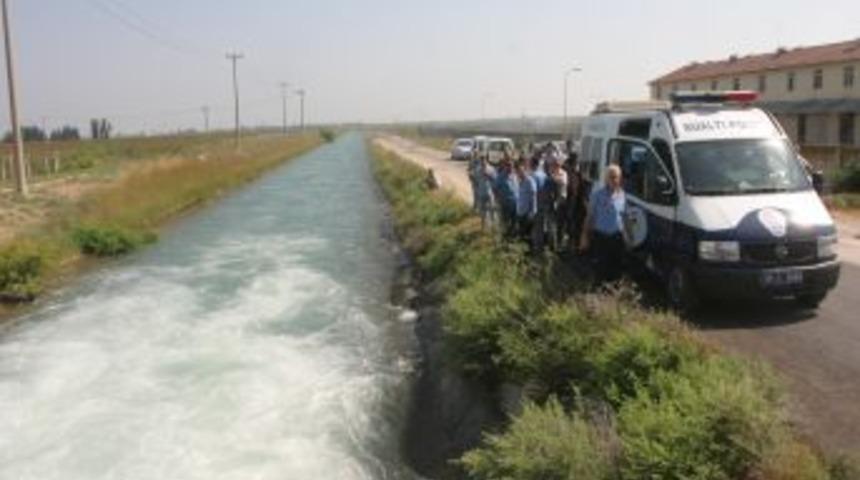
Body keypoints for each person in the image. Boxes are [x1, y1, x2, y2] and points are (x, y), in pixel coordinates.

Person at [580, 164, 627, 283]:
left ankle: (612, 294)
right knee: (600, 268)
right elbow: (589, 216)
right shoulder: (597, 195)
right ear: (606, 178)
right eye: (611, 177)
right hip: (601, 237)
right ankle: (598, 293)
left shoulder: (622, 195)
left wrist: (629, 236)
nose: (614, 180)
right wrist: (584, 236)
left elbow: (624, 216)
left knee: (616, 268)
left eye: (616, 177)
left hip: (617, 237)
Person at [493, 155, 519, 239]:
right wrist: (498, 200)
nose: (511, 167)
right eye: (509, 165)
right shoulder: (500, 177)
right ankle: (504, 240)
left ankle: (512, 239)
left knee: (514, 223)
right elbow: (495, 189)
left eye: (512, 166)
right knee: (505, 223)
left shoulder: (514, 175)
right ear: (505, 166)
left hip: (515, 204)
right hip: (505, 204)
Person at [548, 156, 569, 251]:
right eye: (554, 164)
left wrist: (554, 177)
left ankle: (560, 244)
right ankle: (553, 245)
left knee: (560, 224)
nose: (555, 166)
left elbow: (562, 182)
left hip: (561, 201)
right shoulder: (551, 174)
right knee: (552, 224)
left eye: (557, 164)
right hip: (552, 201)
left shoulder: (563, 173)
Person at [515, 160, 538, 247]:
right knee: (522, 236)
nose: (519, 173)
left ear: (525, 170)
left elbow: (533, 197)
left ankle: (530, 255)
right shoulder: (520, 181)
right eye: (518, 171)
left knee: (528, 237)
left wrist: (532, 213)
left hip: (527, 214)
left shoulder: (529, 181)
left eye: (521, 171)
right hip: (521, 213)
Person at [475, 157, 497, 230]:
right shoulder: (478, 169)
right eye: (481, 161)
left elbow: (495, 179)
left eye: (484, 161)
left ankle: (493, 226)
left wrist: (489, 175)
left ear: (487, 160)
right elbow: (476, 180)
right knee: (483, 210)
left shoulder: (491, 169)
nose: (483, 162)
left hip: (490, 192)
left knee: (492, 210)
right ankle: (483, 226)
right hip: (481, 192)